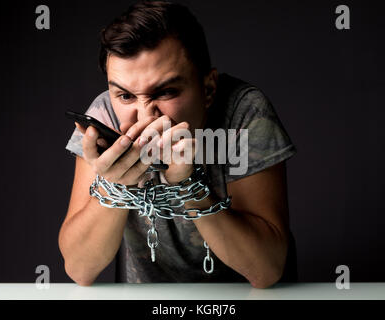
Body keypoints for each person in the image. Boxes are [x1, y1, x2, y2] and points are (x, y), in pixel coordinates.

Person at [59, 0, 298, 288]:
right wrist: (117, 186)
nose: (146, 115)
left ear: (207, 89)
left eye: (166, 92)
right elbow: (79, 269)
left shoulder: (243, 111)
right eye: (125, 96)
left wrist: (188, 186)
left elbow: (267, 270)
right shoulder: (105, 116)